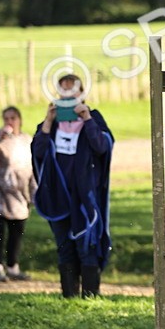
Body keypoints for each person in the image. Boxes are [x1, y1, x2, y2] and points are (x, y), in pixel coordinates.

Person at [32, 75, 114, 297]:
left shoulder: (94, 118)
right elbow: (38, 152)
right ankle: (69, 296)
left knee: (87, 243)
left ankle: (90, 295)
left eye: (73, 92)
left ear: (82, 94)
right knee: (64, 247)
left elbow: (101, 147)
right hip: (58, 196)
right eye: (63, 93)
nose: (68, 97)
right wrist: (48, 122)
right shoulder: (50, 124)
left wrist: (86, 119)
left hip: (85, 196)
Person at [0, 106, 36, 282]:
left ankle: (13, 266)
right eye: (6, 118)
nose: (9, 122)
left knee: (17, 230)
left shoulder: (26, 140)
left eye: (13, 118)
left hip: (18, 191)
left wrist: (33, 192)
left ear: (19, 120)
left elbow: (33, 165)